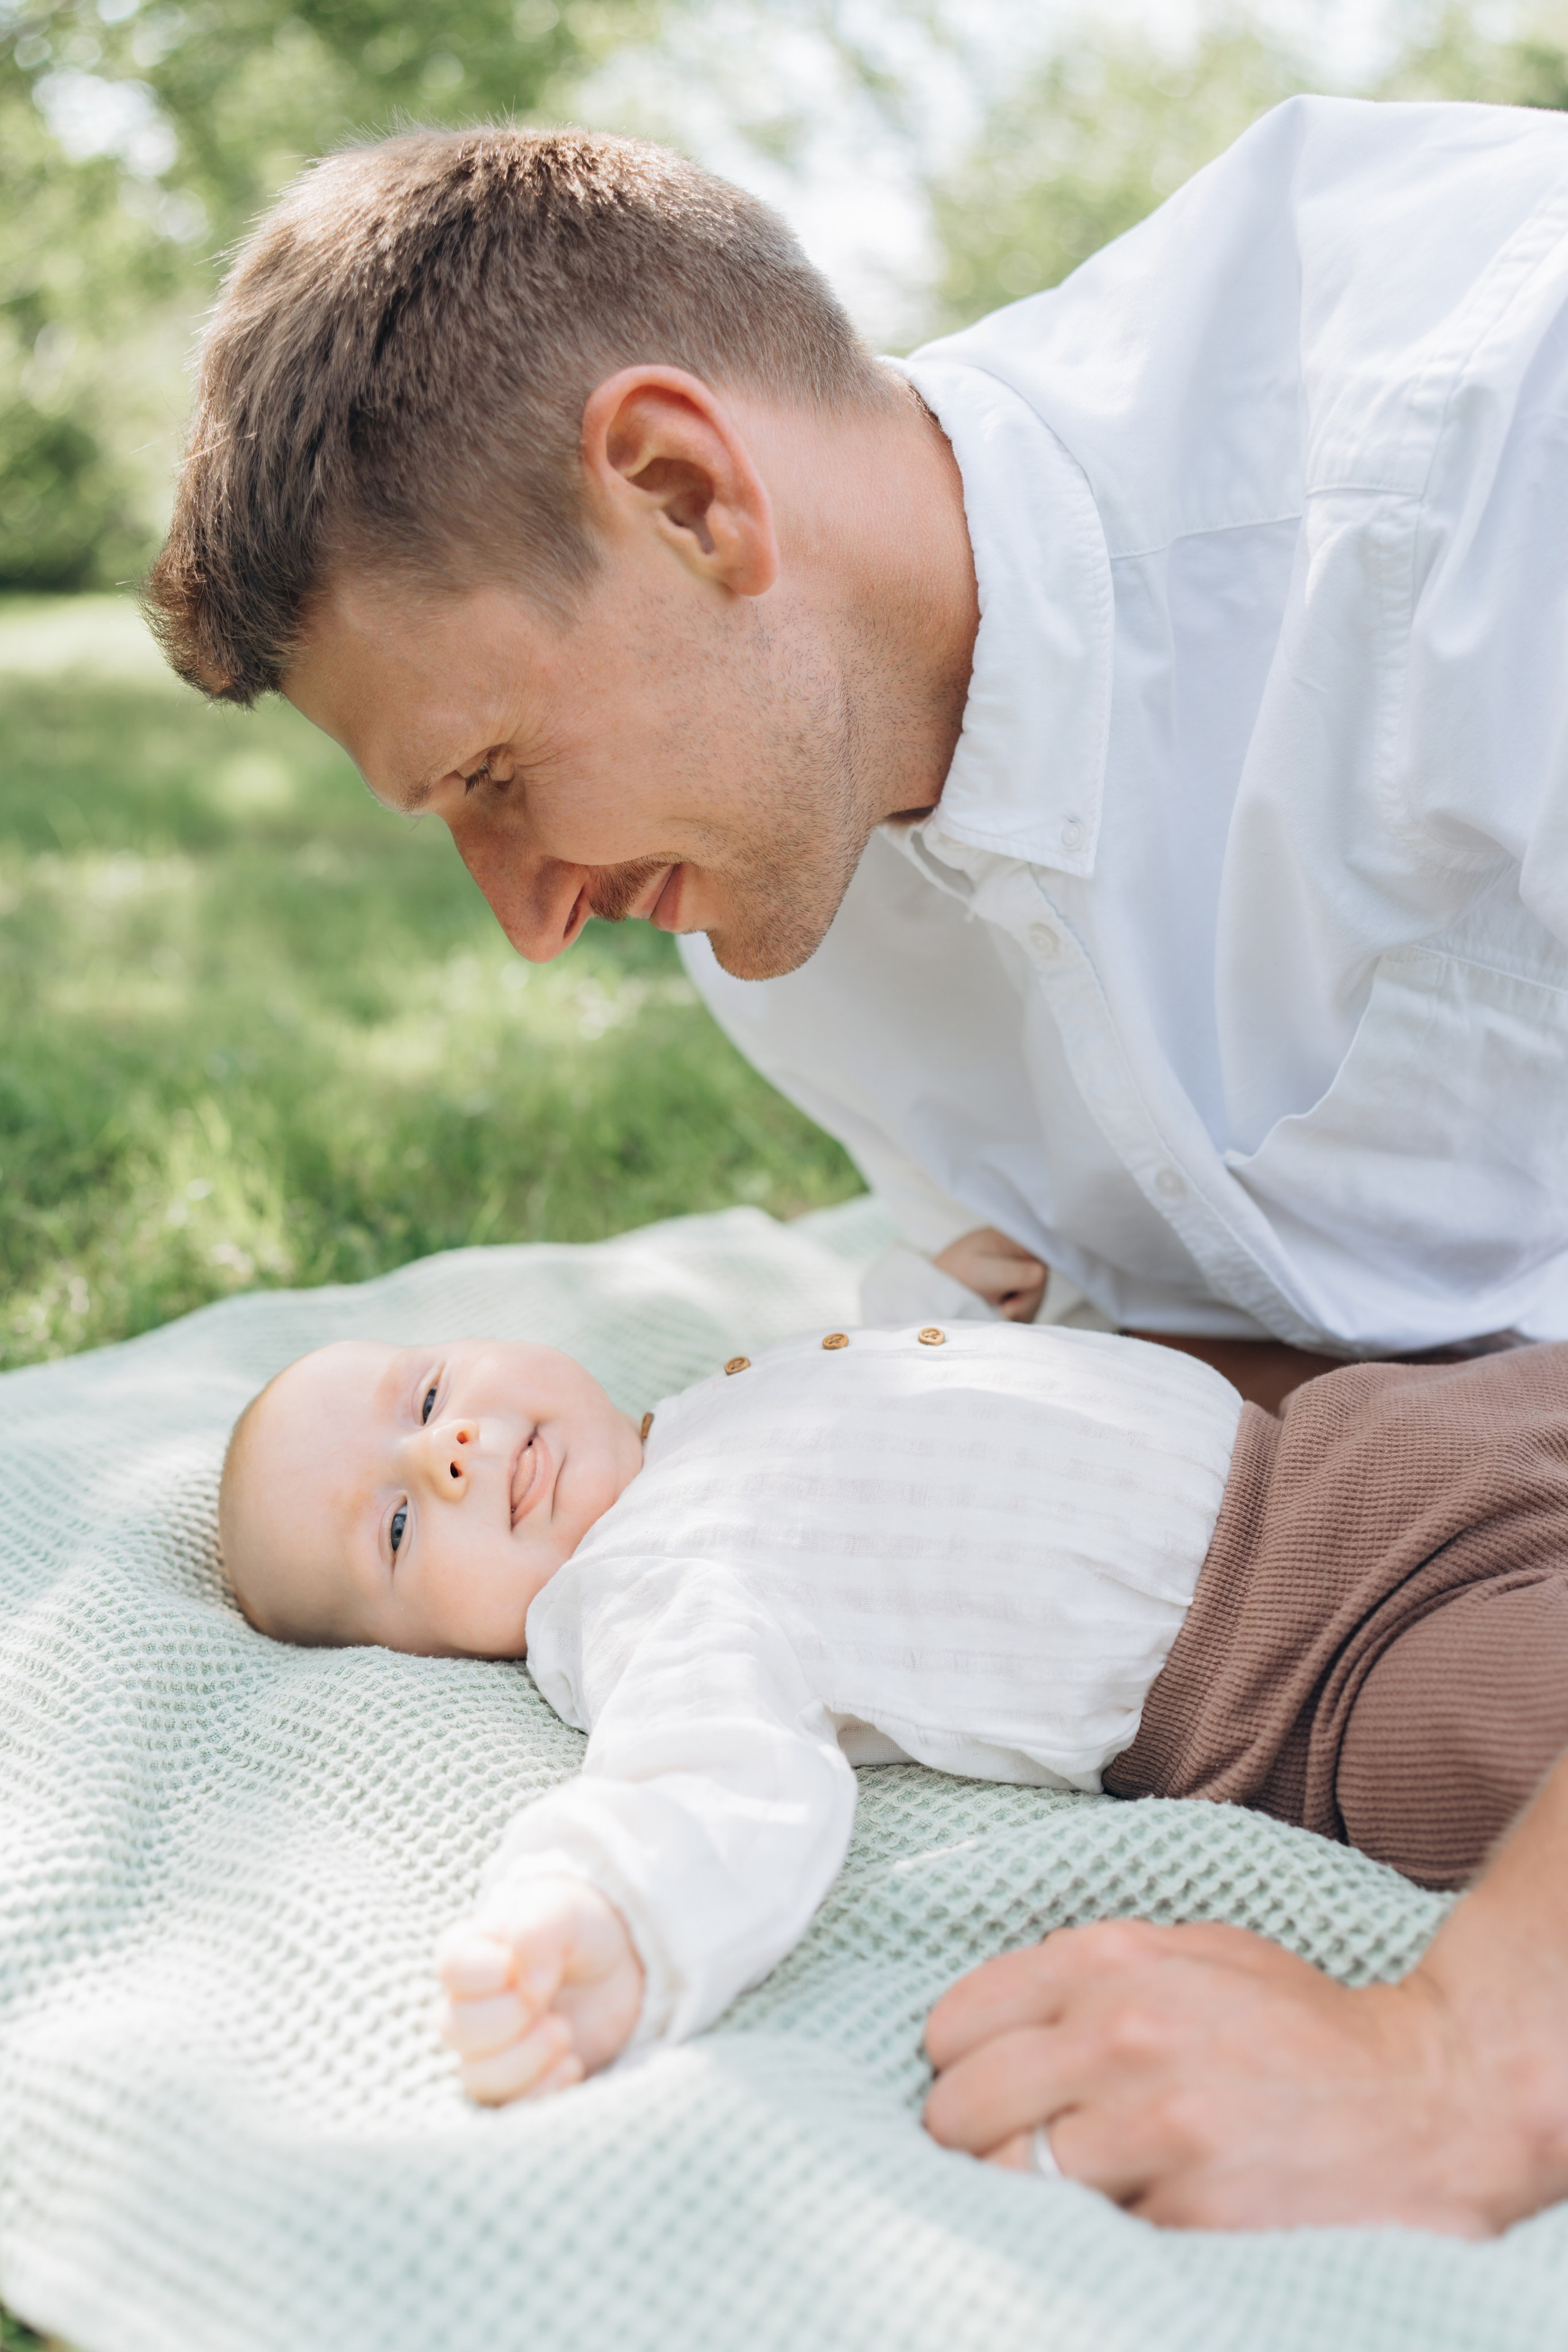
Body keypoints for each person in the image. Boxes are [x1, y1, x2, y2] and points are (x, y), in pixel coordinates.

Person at [148, 100, 1568, 2223]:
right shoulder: (780, 916)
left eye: (501, 774)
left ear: (684, 492)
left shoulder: (1480, 442)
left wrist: (1472, 2062)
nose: (526, 921)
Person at [220, 1317, 1568, 2234]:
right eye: (396, 1525)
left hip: (1364, 1437)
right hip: (1323, 1664)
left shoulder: (707, 1404)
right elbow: (705, 1775)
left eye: (427, 1392)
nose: (444, 1451)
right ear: (425, 1650)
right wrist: (603, 1912)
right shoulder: (639, 1593)